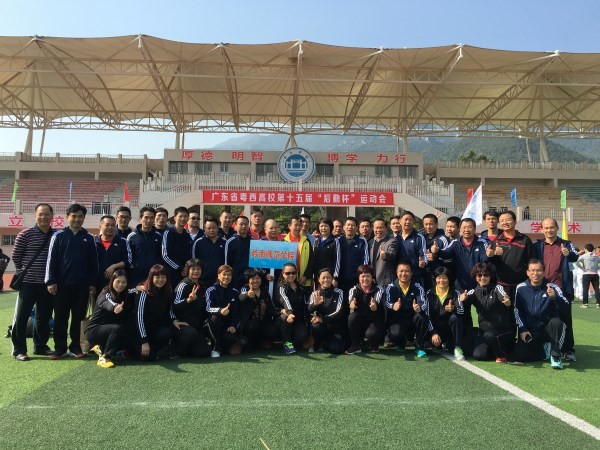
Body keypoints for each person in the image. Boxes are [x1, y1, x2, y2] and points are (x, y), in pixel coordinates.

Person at [46, 203, 99, 360]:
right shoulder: (58, 236)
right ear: (67, 217)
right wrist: (51, 281)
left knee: (78, 318)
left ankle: (75, 346)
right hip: (61, 286)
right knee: (60, 318)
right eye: (74, 216)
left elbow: (93, 263)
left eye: (80, 216)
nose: (77, 219)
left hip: (82, 286)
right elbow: (51, 260)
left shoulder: (89, 238)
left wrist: (92, 283)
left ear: (84, 218)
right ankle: (60, 348)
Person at [11, 203, 55, 361]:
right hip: (28, 283)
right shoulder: (25, 234)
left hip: (48, 284)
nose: (43, 217)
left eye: (46, 214)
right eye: (40, 214)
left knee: (44, 317)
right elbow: (16, 256)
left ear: (52, 216)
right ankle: (19, 350)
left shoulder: (57, 235)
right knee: (22, 316)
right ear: (35, 216)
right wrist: (27, 271)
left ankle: (40, 347)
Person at [533, 217, 578, 361]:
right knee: (541, 318)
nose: (549, 230)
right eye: (546, 228)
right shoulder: (537, 246)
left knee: (565, 319)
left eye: (552, 227)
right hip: (542, 289)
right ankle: (543, 346)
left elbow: (575, 256)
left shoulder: (566, 244)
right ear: (541, 230)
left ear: (557, 228)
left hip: (562, 289)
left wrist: (568, 253)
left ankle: (568, 350)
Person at [513, 259, 569, 370]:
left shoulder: (553, 287)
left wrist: (555, 297)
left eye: (539, 270)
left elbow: (566, 306)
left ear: (544, 272)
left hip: (549, 329)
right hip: (531, 330)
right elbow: (517, 310)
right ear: (527, 272)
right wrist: (523, 329)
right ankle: (545, 350)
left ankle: (555, 355)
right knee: (519, 356)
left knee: (557, 322)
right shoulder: (521, 288)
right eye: (532, 270)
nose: (535, 273)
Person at [461, 263, 514, 363]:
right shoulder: (473, 291)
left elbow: (503, 296)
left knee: (490, 336)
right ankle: (496, 350)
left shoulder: (497, 288)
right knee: (478, 355)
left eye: (486, 275)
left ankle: (501, 355)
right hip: (485, 332)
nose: (483, 278)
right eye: (479, 275)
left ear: (490, 276)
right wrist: (462, 299)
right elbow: (462, 301)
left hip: (502, 330)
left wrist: (506, 300)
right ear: (475, 277)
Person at [128, 264, 183, 361]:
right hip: (137, 330)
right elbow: (139, 318)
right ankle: (129, 349)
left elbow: (169, 310)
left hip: (153, 328)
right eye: (157, 277)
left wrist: (174, 321)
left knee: (168, 332)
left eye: (163, 277)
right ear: (151, 277)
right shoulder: (144, 291)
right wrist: (144, 342)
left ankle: (155, 349)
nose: (160, 280)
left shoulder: (168, 290)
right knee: (148, 358)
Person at [85, 270, 132, 368]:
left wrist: (139, 287)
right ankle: (104, 357)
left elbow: (134, 289)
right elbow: (107, 303)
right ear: (112, 281)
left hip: (107, 330)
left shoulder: (124, 293)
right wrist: (115, 307)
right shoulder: (105, 293)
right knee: (117, 328)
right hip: (94, 330)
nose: (120, 285)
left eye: (124, 282)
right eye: (118, 281)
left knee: (126, 325)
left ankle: (100, 347)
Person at [385, 262, 430, 357]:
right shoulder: (391, 287)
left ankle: (419, 346)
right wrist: (393, 306)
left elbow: (423, 303)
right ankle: (401, 344)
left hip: (413, 317)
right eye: (401, 271)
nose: (404, 274)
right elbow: (387, 302)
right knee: (395, 333)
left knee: (421, 317)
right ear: (396, 272)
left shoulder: (418, 287)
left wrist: (418, 307)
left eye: (407, 271)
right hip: (398, 318)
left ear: (411, 273)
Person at [489, 210, 534, 299]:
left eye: (508, 220)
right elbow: (492, 263)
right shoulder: (497, 240)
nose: (505, 222)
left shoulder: (524, 239)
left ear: (515, 222)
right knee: (505, 307)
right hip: (502, 284)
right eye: (502, 221)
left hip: (521, 283)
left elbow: (531, 260)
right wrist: (492, 255)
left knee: (521, 307)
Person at [172, 259, 211, 358]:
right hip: (184, 325)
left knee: (203, 352)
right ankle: (176, 350)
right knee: (190, 334)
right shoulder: (183, 285)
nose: (196, 271)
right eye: (193, 269)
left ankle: (189, 349)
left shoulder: (202, 285)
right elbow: (175, 304)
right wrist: (188, 300)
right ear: (188, 270)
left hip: (197, 325)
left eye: (198, 269)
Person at [347, 265, 385, 354]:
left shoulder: (378, 289)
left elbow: (376, 301)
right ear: (359, 277)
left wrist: (374, 305)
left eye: (368, 276)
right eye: (362, 276)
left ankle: (374, 344)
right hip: (361, 321)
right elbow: (351, 301)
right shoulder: (354, 289)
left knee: (371, 334)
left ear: (372, 277)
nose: (365, 279)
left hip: (374, 321)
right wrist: (352, 304)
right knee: (352, 317)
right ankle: (355, 345)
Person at [205, 265, 241, 358]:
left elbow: (237, 312)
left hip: (228, 325)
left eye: (229, 275)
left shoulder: (234, 291)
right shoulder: (211, 290)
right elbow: (208, 308)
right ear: (218, 275)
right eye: (224, 274)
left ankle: (225, 347)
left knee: (230, 338)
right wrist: (220, 311)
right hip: (214, 323)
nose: (226, 277)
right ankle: (215, 348)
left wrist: (233, 325)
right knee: (214, 319)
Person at [238, 268, 279, 350]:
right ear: (248, 280)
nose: (255, 281)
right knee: (252, 326)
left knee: (272, 331)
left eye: (258, 278)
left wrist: (281, 311)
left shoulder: (264, 290)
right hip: (249, 323)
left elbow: (271, 307)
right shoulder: (245, 288)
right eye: (252, 278)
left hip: (263, 322)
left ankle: (261, 342)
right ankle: (248, 343)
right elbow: (241, 298)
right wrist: (247, 295)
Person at [308, 268, 347, 354]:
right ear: (319, 279)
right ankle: (317, 344)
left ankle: (327, 343)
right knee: (315, 326)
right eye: (323, 278)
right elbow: (309, 310)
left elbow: (339, 311)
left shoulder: (339, 292)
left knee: (336, 349)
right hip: (321, 327)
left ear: (332, 278)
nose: (326, 280)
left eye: (328, 277)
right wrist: (315, 304)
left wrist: (322, 319)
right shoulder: (315, 293)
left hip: (335, 328)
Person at [276, 263, 309, 354]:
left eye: (293, 273)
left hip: (297, 320)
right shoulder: (281, 287)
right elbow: (285, 300)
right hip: (283, 319)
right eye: (287, 273)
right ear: (283, 274)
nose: (291, 275)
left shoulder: (300, 288)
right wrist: (290, 313)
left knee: (302, 335)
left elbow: (305, 305)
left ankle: (291, 340)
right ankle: (287, 343)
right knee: (286, 316)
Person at [127, 206, 163, 287]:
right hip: (137, 276)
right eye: (146, 217)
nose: (149, 220)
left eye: (151, 218)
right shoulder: (132, 236)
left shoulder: (158, 236)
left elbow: (161, 254)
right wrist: (135, 266)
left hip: (154, 275)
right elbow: (128, 256)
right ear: (140, 218)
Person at [95, 215, 132, 291]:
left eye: (113, 225)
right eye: (107, 225)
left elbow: (128, 261)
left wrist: (114, 266)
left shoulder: (123, 242)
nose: (110, 227)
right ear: (100, 227)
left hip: (116, 284)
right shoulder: (93, 242)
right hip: (96, 283)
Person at [336, 217, 369, 297]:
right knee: (342, 302)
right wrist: (335, 277)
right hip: (341, 279)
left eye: (353, 225)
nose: (350, 227)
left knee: (356, 301)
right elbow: (335, 260)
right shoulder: (338, 240)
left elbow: (365, 260)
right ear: (344, 227)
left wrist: (363, 276)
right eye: (348, 225)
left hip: (357, 279)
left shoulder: (361, 241)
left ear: (357, 228)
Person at [162, 206, 192, 289]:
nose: (183, 218)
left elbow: (188, 253)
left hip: (184, 273)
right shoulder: (168, 233)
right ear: (175, 218)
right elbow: (165, 256)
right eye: (180, 216)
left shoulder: (187, 234)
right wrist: (180, 268)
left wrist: (186, 268)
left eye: (185, 216)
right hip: (171, 272)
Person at [192, 217, 227, 289]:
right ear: (204, 228)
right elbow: (194, 261)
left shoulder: (224, 242)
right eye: (209, 228)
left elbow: (227, 261)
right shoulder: (198, 242)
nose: (211, 230)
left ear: (218, 228)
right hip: (203, 280)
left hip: (220, 280)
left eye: (214, 228)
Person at [283, 215, 314, 291]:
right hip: (288, 279)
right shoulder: (283, 241)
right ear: (289, 226)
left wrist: (306, 276)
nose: (298, 227)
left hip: (304, 280)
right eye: (296, 225)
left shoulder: (306, 241)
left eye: (300, 225)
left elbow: (311, 260)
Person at [421, 213, 449, 291]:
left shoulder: (443, 239)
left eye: (431, 224)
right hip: (424, 274)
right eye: (426, 224)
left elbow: (449, 258)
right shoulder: (421, 238)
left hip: (439, 277)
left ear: (436, 224)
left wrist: (435, 257)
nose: (428, 227)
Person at [369, 218, 399, 289]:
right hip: (372, 281)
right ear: (373, 228)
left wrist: (386, 255)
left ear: (386, 228)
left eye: (381, 227)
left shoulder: (392, 241)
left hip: (385, 280)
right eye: (376, 228)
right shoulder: (370, 242)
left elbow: (392, 254)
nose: (378, 230)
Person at [225, 215, 253, 290]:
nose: (244, 226)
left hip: (250, 279)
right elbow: (227, 263)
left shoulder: (253, 241)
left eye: (246, 224)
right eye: (241, 224)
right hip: (235, 279)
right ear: (235, 225)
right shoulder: (230, 242)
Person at [399, 211, 427, 286]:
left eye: (410, 220)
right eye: (406, 219)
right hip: (400, 276)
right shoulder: (396, 238)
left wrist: (423, 262)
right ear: (400, 221)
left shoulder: (419, 237)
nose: (408, 222)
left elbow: (423, 255)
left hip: (415, 275)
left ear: (414, 222)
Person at [312, 218, 339, 285]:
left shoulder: (335, 241)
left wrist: (335, 277)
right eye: (321, 226)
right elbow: (313, 259)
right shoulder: (316, 241)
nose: (323, 228)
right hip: (318, 276)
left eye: (326, 226)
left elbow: (338, 260)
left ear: (330, 227)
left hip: (329, 276)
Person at [577, 243, 600, 308]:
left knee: (585, 289)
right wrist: (597, 268)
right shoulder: (596, 256)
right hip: (595, 274)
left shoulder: (584, 256)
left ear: (586, 249)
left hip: (586, 274)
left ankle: (585, 304)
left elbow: (577, 262)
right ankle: (598, 303)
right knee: (596, 289)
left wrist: (582, 268)